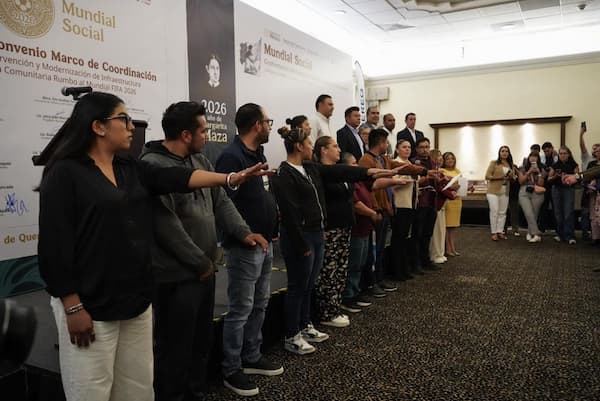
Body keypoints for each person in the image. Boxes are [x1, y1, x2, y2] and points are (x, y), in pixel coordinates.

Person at [37, 92, 267, 401]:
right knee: (92, 390)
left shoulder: (129, 168)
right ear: (98, 126)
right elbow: (54, 245)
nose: (132, 126)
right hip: (92, 305)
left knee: (138, 388)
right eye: (124, 119)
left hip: (135, 301)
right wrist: (72, 305)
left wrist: (229, 178)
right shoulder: (64, 172)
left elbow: (176, 177)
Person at [139, 101, 269, 401]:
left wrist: (243, 231)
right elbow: (166, 226)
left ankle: (196, 393)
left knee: (200, 343)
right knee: (175, 347)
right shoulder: (153, 167)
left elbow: (221, 201)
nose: (207, 136)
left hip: (203, 272)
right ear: (186, 135)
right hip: (176, 276)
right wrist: (200, 262)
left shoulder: (200, 160)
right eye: (203, 131)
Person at [271, 124, 395, 355]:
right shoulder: (283, 174)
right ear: (299, 146)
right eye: (309, 143)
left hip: (316, 233)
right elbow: (289, 213)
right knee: (298, 286)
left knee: (309, 284)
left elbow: (340, 172)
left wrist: (369, 172)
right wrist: (301, 243)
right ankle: (292, 335)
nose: (312, 147)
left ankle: (305, 325)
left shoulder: (310, 168)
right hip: (300, 237)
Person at [215, 103, 283, 397]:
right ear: (257, 125)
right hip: (244, 246)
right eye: (268, 122)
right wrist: (243, 235)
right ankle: (231, 369)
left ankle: (251, 356)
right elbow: (222, 202)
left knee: (259, 303)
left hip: (265, 242)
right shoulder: (231, 156)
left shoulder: (258, 154)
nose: (270, 126)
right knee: (240, 309)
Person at [313, 137, 354, 328]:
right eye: (334, 146)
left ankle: (335, 306)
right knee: (328, 271)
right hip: (331, 228)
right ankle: (326, 312)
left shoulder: (340, 171)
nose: (339, 149)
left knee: (341, 268)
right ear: (323, 150)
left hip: (344, 226)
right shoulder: (320, 172)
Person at [389, 139, 426, 280]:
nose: (407, 149)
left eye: (409, 147)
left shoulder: (410, 164)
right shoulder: (395, 163)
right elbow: (390, 185)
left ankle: (405, 268)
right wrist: (403, 181)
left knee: (406, 238)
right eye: (404, 147)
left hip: (411, 204)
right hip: (400, 204)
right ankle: (397, 271)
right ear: (397, 149)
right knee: (398, 239)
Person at [548, 146, 580, 244]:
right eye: (560, 153)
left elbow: (578, 177)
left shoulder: (574, 165)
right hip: (556, 189)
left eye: (564, 153)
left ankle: (569, 235)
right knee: (558, 213)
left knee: (568, 212)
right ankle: (560, 234)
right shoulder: (555, 165)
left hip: (569, 189)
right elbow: (549, 179)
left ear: (569, 154)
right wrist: (555, 176)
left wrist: (570, 177)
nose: (562, 155)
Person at [485, 146, 516, 241]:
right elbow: (487, 176)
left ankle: (500, 231)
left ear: (509, 153)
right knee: (494, 211)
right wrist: (500, 177)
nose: (504, 153)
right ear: (499, 153)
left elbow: (513, 179)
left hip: (505, 190)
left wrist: (511, 177)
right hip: (493, 191)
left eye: (506, 151)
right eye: (502, 151)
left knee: (502, 212)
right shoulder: (494, 163)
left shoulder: (510, 164)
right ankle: (494, 232)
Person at [516, 152, 546, 243]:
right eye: (531, 156)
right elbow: (521, 181)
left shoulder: (542, 169)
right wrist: (529, 172)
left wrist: (539, 173)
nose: (533, 158)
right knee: (528, 213)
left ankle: (530, 232)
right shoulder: (522, 168)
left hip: (537, 192)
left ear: (538, 159)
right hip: (524, 192)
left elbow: (541, 184)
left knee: (534, 214)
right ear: (528, 158)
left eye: (535, 157)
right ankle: (536, 234)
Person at [440, 152, 465, 256]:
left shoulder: (457, 171)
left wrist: (468, 187)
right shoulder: (442, 171)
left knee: (454, 226)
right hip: (448, 200)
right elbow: (444, 186)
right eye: (448, 159)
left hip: (457, 200)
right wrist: (453, 187)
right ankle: (447, 248)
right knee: (447, 226)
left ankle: (453, 247)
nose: (450, 160)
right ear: (444, 161)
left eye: (452, 158)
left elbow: (461, 184)